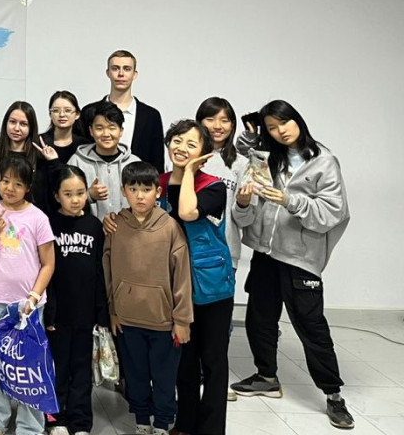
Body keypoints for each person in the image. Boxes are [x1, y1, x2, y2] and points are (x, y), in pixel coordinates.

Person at [231, 101, 353, 429]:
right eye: (272, 127)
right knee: (260, 318)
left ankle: (333, 395)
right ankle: (266, 377)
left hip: (300, 258)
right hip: (266, 253)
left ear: (297, 120)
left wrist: (290, 200)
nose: (280, 131)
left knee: (311, 326)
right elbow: (243, 160)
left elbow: (334, 212)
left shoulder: (324, 161)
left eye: (284, 123)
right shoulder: (271, 157)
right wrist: (254, 138)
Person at [103, 161, 192, 435]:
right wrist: (113, 311)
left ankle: (163, 424)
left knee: (164, 379)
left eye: (146, 189)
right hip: (128, 320)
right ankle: (142, 422)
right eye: (133, 189)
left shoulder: (170, 227)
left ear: (158, 191)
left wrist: (182, 320)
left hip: (164, 322)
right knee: (136, 376)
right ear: (123, 191)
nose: (140, 196)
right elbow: (108, 271)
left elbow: (182, 276)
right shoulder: (116, 226)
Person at [159, 119, 235, 435]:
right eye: (177, 141)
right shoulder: (158, 183)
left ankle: (212, 429)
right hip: (173, 284)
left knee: (213, 360)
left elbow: (188, 213)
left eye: (191, 144)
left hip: (210, 284)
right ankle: (185, 423)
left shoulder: (213, 186)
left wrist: (189, 172)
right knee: (184, 360)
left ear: (203, 152)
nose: (182, 148)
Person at [0, 156, 56, 435]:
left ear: (28, 187)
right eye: (5, 181)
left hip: (29, 306)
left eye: (18, 183)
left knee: (29, 363)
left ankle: (30, 425)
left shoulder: (38, 218)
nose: (10, 188)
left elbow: (48, 264)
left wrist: (33, 297)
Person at [44, 165, 108, 435]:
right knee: (57, 368)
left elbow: (99, 271)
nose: (75, 199)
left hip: (85, 313)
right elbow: (43, 270)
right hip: (57, 313)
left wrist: (101, 312)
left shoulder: (94, 226)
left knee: (81, 369)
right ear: (56, 196)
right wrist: (48, 311)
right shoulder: (47, 223)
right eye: (68, 194)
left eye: (81, 193)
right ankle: (55, 419)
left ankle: (80, 421)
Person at [84, 51, 164, 171]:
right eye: (115, 68)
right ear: (108, 73)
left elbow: (157, 162)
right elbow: (83, 152)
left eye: (127, 69)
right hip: (96, 179)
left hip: (139, 181)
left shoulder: (151, 116)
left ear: (134, 74)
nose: (121, 74)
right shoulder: (89, 111)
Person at [196, 96, 250, 270]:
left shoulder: (242, 164)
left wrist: (243, 205)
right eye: (210, 119)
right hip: (186, 249)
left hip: (223, 252)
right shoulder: (188, 158)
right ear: (199, 122)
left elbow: (245, 221)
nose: (217, 126)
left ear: (232, 125)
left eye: (224, 120)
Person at [71, 101, 140, 221]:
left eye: (112, 128)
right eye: (99, 128)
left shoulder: (134, 163)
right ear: (91, 131)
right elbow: (65, 201)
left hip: (128, 230)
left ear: (121, 131)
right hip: (88, 230)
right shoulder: (77, 162)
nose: (106, 134)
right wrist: (89, 195)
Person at [40, 90, 90, 163]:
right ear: (50, 114)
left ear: (77, 114)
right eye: (56, 111)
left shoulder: (85, 145)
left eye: (67, 110)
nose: (62, 115)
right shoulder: (39, 142)